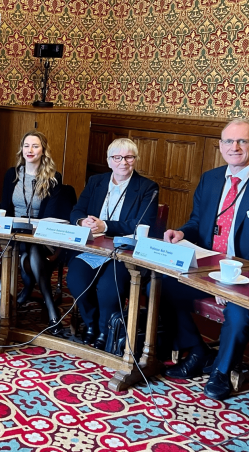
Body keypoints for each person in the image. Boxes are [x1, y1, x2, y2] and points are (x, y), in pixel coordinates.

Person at [160, 119, 249, 400]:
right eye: (228, 142)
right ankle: (198, 351)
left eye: (242, 141)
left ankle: (221, 371)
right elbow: (198, 222)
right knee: (160, 285)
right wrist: (181, 232)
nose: (234, 147)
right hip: (210, 268)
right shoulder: (211, 178)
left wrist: (231, 278)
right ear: (220, 146)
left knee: (239, 312)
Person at [66, 138, 158, 349]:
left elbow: (141, 223)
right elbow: (77, 210)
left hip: (124, 251)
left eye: (128, 157)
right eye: (117, 157)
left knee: (108, 287)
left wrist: (105, 226)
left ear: (135, 159)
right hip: (93, 247)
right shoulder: (96, 182)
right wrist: (83, 221)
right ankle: (91, 326)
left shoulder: (147, 187)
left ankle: (106, 330)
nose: (123, 162)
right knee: (76, 279)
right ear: (109, 161)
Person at [1, 131, 77, 333]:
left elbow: (51, 214)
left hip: (41, 235)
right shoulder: (12, 174)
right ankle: (51, 312)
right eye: (26, 145)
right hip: (14, 233)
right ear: (22, 149)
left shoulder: (53, 178)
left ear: (43, 150)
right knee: (29, 251)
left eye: (35, 146)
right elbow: (4, 208)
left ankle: (27, 292)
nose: (30, 150)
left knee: (32, 250)